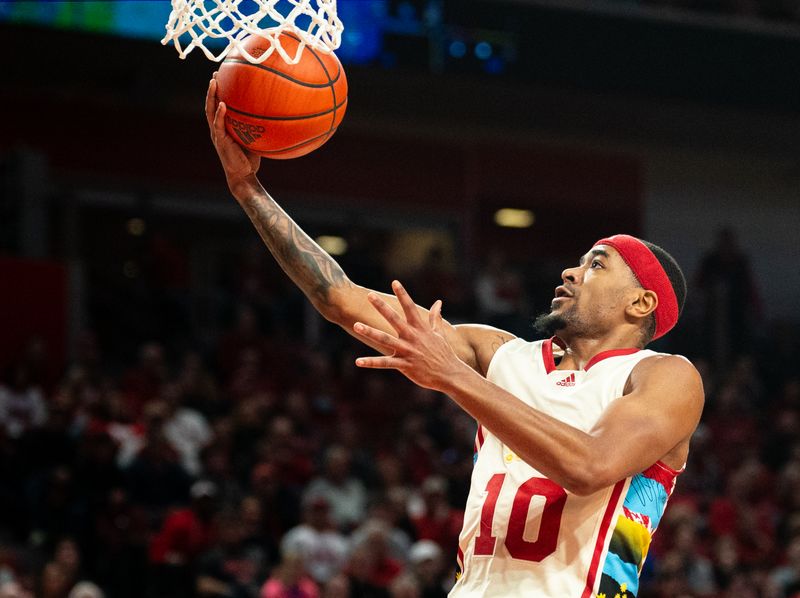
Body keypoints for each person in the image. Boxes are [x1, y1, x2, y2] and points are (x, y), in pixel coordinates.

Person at [206, 77, 704, 597]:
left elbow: (589, 466)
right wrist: (248, 190)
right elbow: (340, 300)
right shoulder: (499, 353)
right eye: (577, 263)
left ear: (641, 303)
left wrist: (452, 377)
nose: (571, 273)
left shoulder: (664, 376)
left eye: (596, 265)